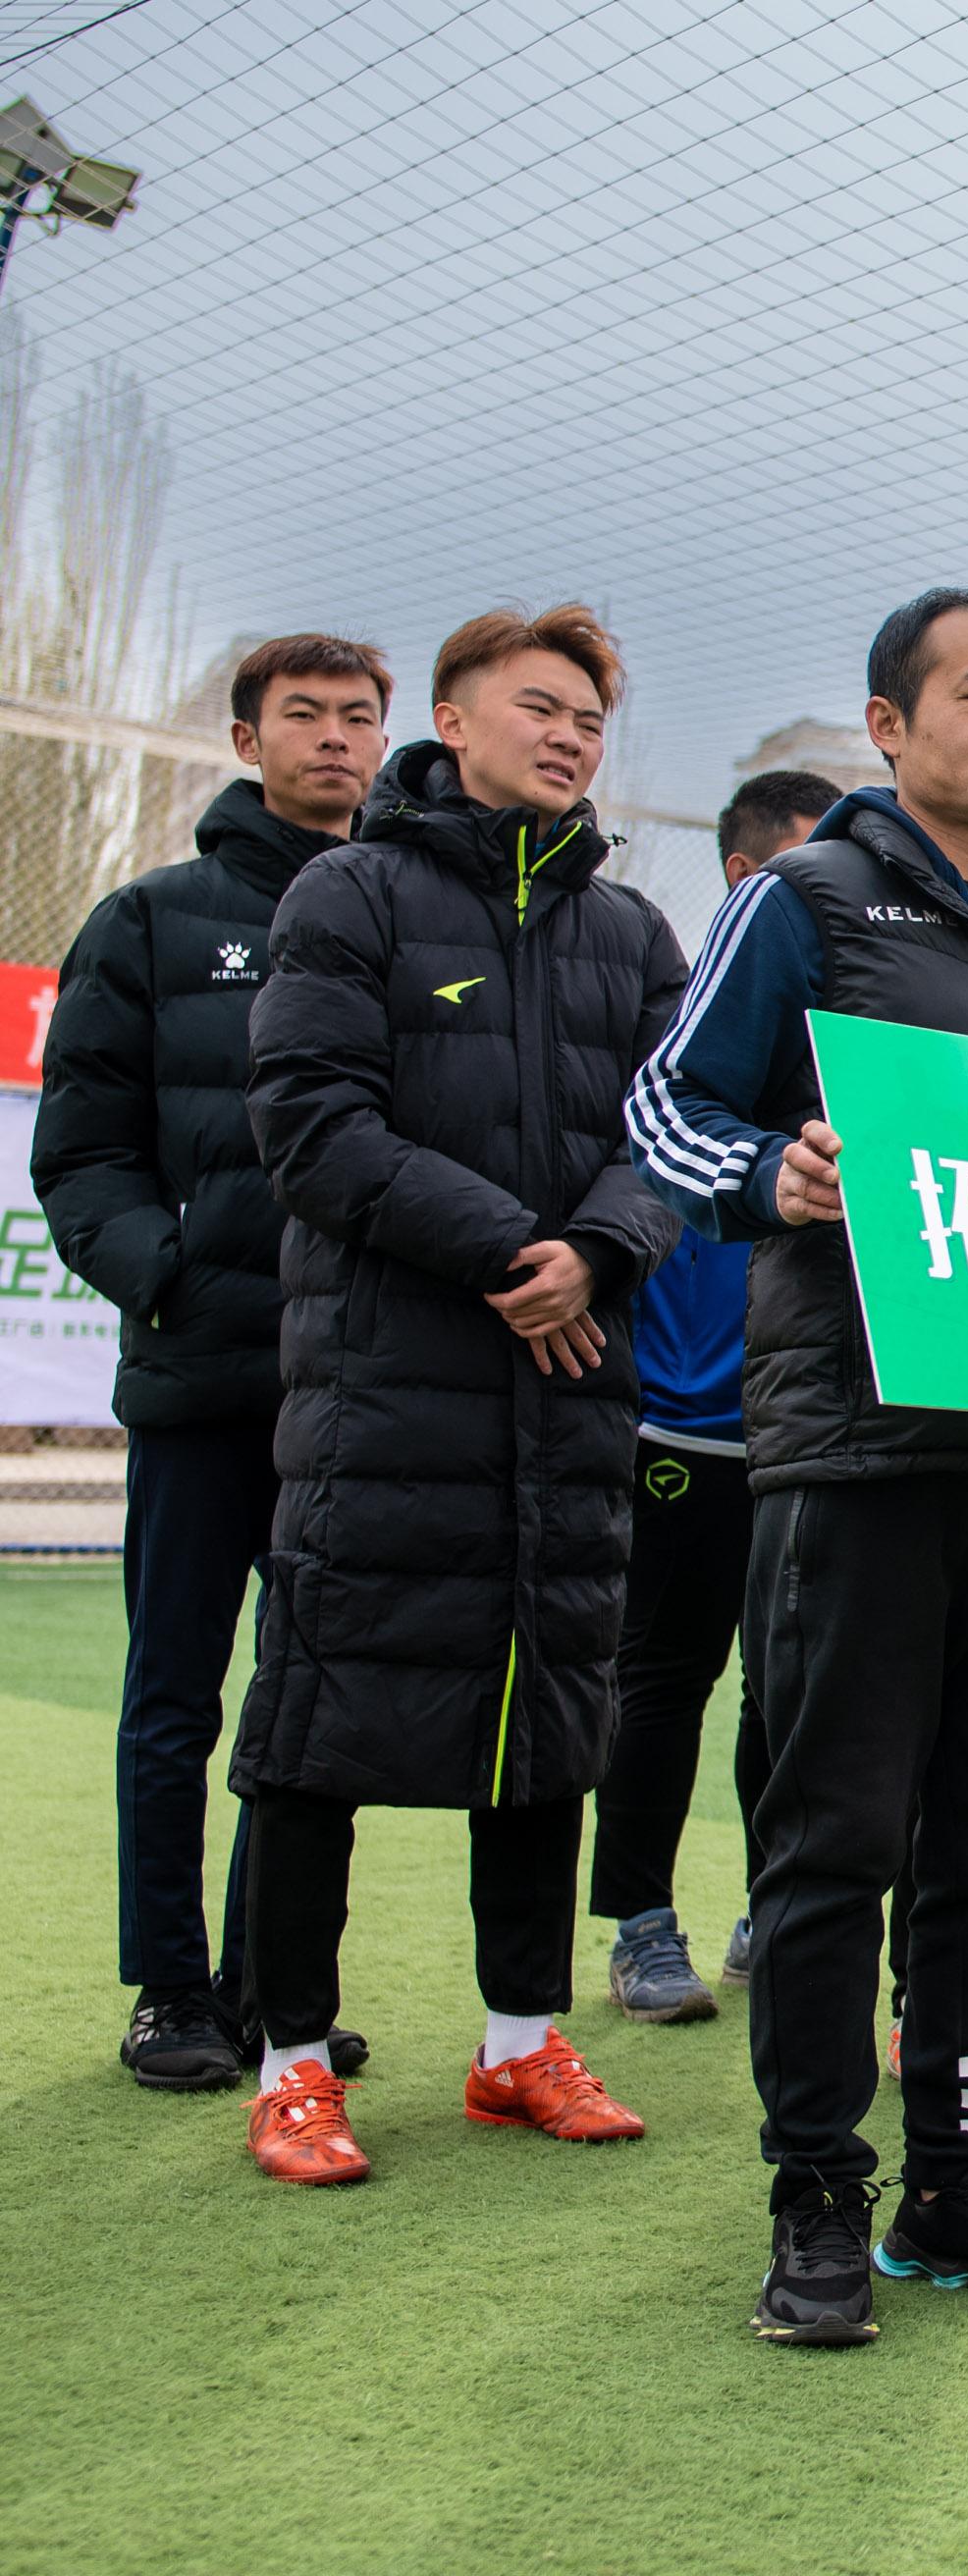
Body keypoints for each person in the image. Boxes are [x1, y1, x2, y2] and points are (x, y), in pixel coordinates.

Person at [633, 587, 968, 2340]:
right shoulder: (805, 900)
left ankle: (959, 2177)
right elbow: (666, 1109)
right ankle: (816, 2193)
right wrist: (773, 1172)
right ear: (889, 723)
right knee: (835, 1843)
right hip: (859, 1444)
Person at [229, 605, 688, 2184]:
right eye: (541, 708)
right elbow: (310, 1124)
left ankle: (518, 2046)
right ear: (455, 717)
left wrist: (606, 1248)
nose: (571, 738)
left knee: (550, 1719)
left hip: (566, 1400)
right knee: (316, 1734)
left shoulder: (631, 932)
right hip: (384, 1391)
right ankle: (292, 2065)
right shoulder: (346, 891)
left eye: (592, 720)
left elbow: (674, 1134)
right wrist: (520, 1251)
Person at [35, 633, 392, 2093]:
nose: (332, 739)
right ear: (248, 741)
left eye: (355, 717)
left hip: (352, 1390)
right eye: (300, 715)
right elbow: (83, 1156)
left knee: (310, 1712)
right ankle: (171, 1991)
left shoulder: (399, 918)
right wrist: (169, 1279)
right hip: (202, 1381)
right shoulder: (151, 922)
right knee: (175, 1698)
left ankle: (272, 1991)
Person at [585, 769, 836, 2025]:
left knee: (788, 1688)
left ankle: (766, 1910)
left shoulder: (854, 1041)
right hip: (684, 1420)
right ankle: (637, 1921)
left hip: (812, 1426)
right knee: (661, 1677)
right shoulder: (673, 1054)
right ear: (748, 888)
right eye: (805, 882)